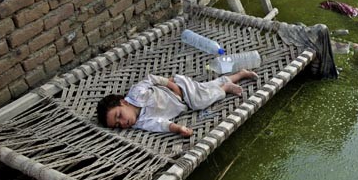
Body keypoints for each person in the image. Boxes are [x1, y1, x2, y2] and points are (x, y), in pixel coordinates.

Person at [97, 70, 258, 137]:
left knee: (201, 101)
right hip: (183, 102)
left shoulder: (135, 93)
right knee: (208, 88)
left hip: (180, 88)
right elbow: (160, 124)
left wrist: (171, 85)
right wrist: (178, 128)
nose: (123, 122)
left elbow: (152, 79)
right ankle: (241, 74)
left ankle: (225, 88)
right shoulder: (141, 122)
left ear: (123, 102)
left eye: (119, 115)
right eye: (118, 125)